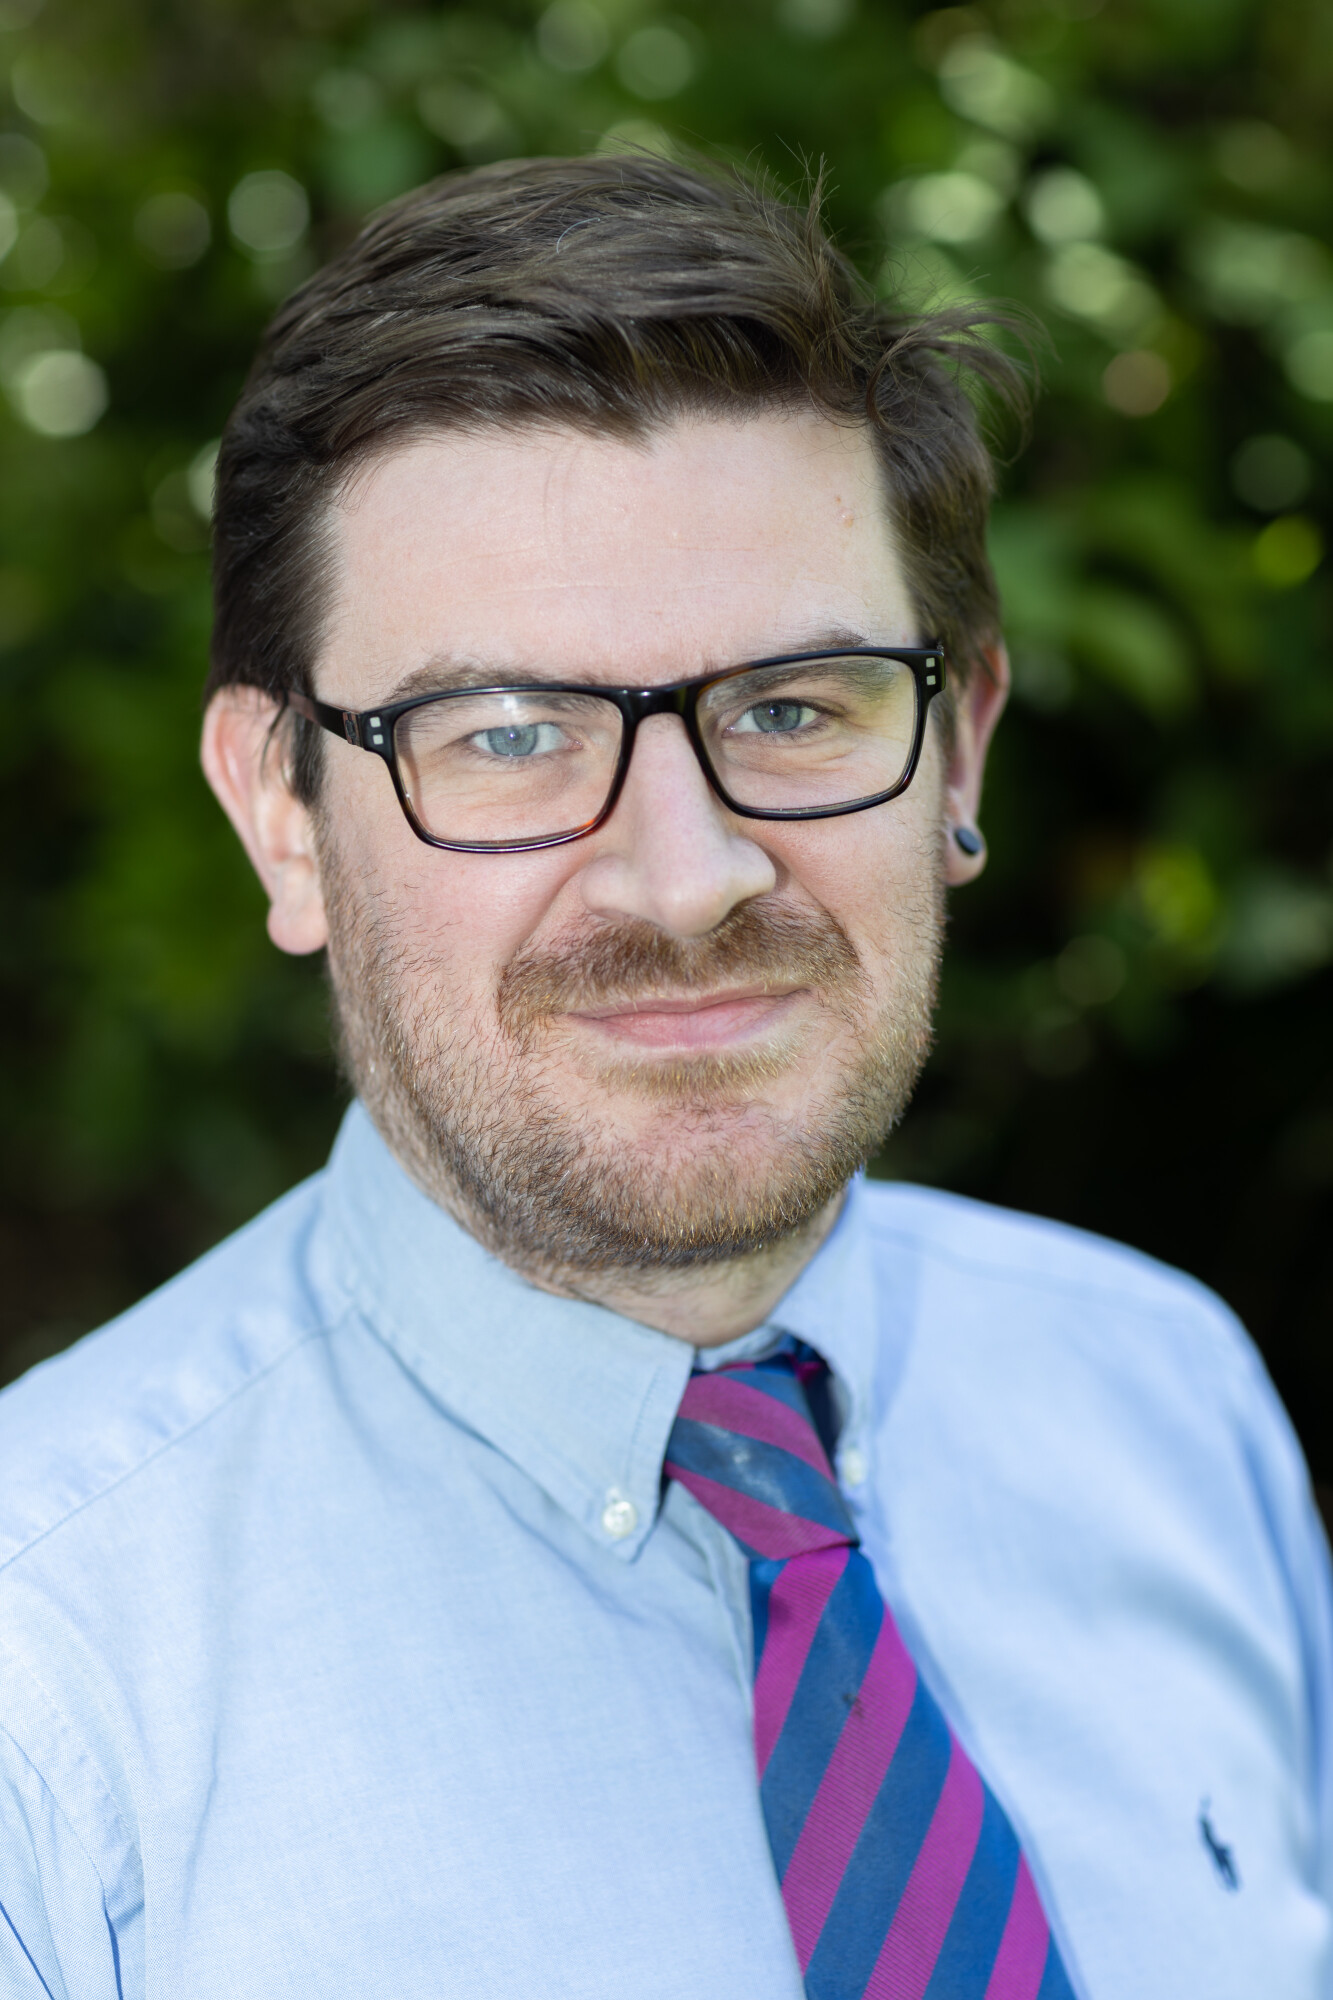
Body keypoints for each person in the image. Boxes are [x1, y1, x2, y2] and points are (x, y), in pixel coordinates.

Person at [0, 154, 1328, 2000]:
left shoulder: (1165, 1399)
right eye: (509, 735)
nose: (687, 879)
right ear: (282, 816)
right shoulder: (48, 1673)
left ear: (956, 753)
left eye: (790, 709)